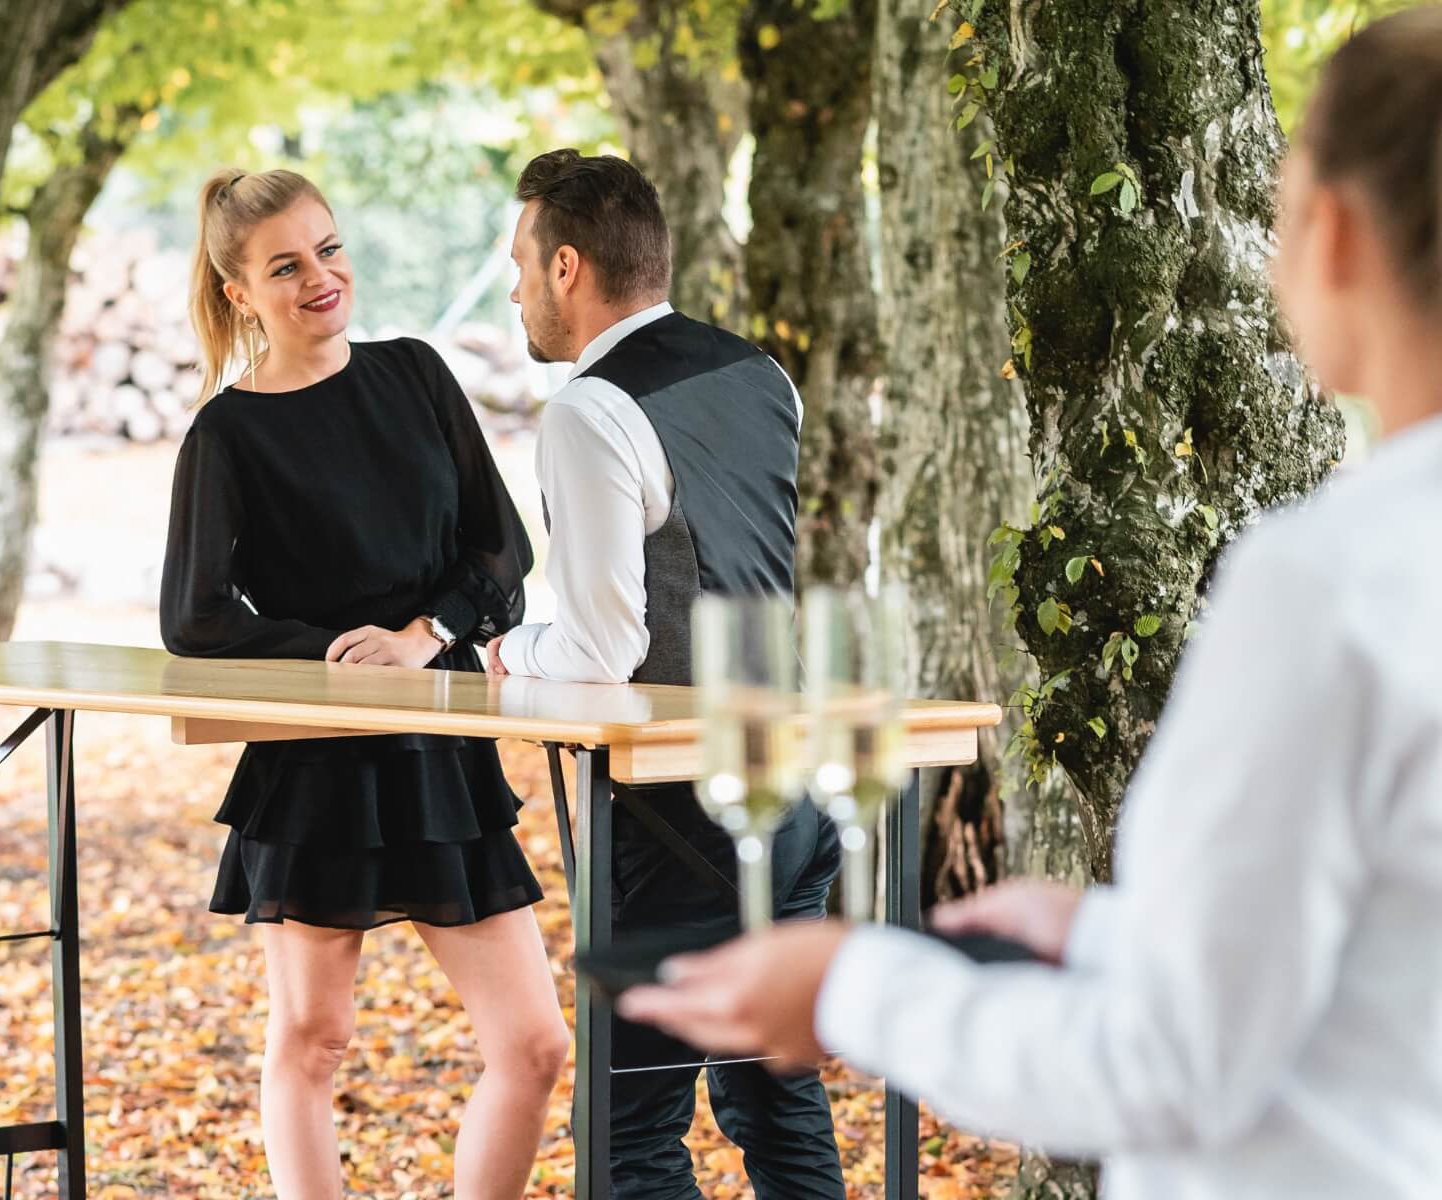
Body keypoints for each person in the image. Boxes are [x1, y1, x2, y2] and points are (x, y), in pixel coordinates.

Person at [618, 12, 1442, 1198]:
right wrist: (1106, 933)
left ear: (1339, 233)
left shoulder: (1331, 581)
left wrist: (855, 986)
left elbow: (1169, 1063)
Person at [160, 167, 568, 1200]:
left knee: (533, 1045)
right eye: (286, 266)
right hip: (315, 767)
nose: (320, 278)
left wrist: (425, 634)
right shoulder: (227, 435)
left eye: (329, 249)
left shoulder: (417, 375)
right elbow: (195, 619)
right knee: (312, 1038)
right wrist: (340, 650)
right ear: (240, 292)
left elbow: (503, 552)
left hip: (443, 753)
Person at [485, 149, 846, 1199]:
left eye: (519, 262)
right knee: (773, 1098)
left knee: (628, 1132)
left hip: (675, 821)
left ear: (566, 267)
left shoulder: (590, 411)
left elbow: (600, 651)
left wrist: (514, 651)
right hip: (796, 792)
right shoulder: (756, 372)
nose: (511, 287)